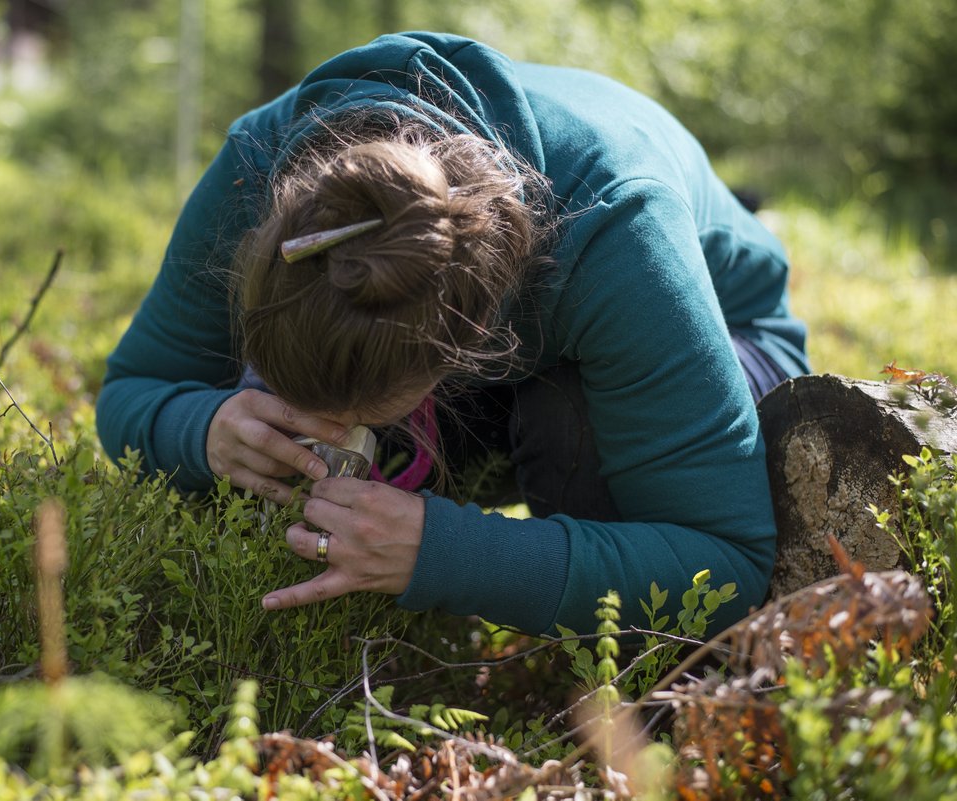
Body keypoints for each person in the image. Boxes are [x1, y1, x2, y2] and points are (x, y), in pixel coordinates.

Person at [96, 32, 810, 636]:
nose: (338, 429)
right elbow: (133, 388)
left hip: (724, 339)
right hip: (502, 348)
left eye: (369, 407)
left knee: (569, 423)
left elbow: (725, 559)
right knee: (272, 433)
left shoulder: (619, 231)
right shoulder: (260, 171)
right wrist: (205, 430)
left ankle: (602, 702)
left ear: (466, 341)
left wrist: (443, 555)